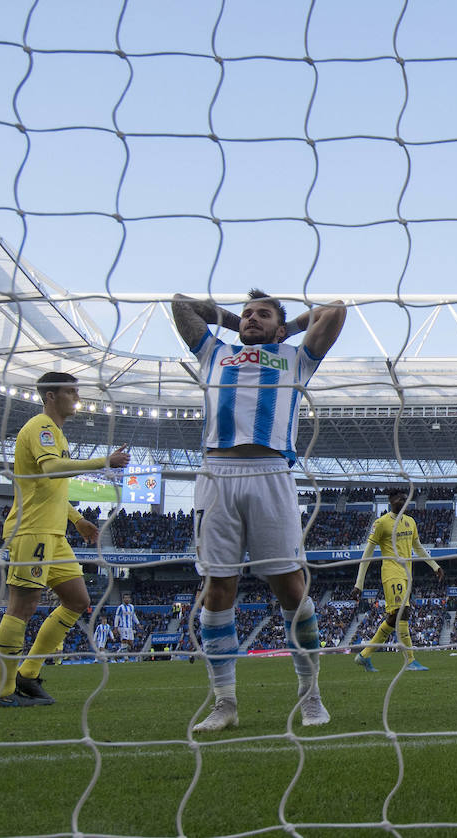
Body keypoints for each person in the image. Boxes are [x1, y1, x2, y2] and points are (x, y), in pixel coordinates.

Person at [172, 289, 346, 731]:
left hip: (271, 472)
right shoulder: (216, 352)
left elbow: (335, 311)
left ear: (280, 326)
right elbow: (180, 303)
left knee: (290, 588)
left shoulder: (295, 357)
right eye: (247, 313)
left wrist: (284, 330)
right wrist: (236, 323)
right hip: (216, 476)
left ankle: (311, 697)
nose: (251, 318)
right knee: (217, 591)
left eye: (262, 314)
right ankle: (224, 703)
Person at [0, 371, 131, 707]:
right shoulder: (41, 427)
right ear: (50, 396)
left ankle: (29, 672)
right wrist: (104, 462)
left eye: (76, 391)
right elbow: (52, 469)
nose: (76, 397)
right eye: (70, 391)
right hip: (31, 532)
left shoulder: (55, 432)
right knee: (22, 607)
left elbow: (51, 486)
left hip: (54, 534)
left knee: (76, 600)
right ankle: (5, 691)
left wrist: (78, 519)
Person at [352, 489, 444, 672]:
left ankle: (364, 655)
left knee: (394, 618)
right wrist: (359, 583)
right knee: (404, 612)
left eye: (405, 498)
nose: (404, 500)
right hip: (391, 573)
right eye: (400, 498)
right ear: (391, 500)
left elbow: (418, 547)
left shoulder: (410, 522)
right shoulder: (381, 523)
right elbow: (367, 554)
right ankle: (410, 660)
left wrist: (435, 566)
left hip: (406, 575)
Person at [114, 592, 138, 660]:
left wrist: (138, 623)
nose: (127, 599)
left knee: (130, 643)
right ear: (123, 599)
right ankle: (126, 658)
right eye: (125, 598)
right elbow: (117, 617)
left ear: (130, 599)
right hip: (122, 627)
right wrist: (115, 627)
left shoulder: (132, 607)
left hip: (130, 627)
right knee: (125, 641)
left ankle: (117, 654)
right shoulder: (120, 607)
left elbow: (134, 616)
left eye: (128, 598)